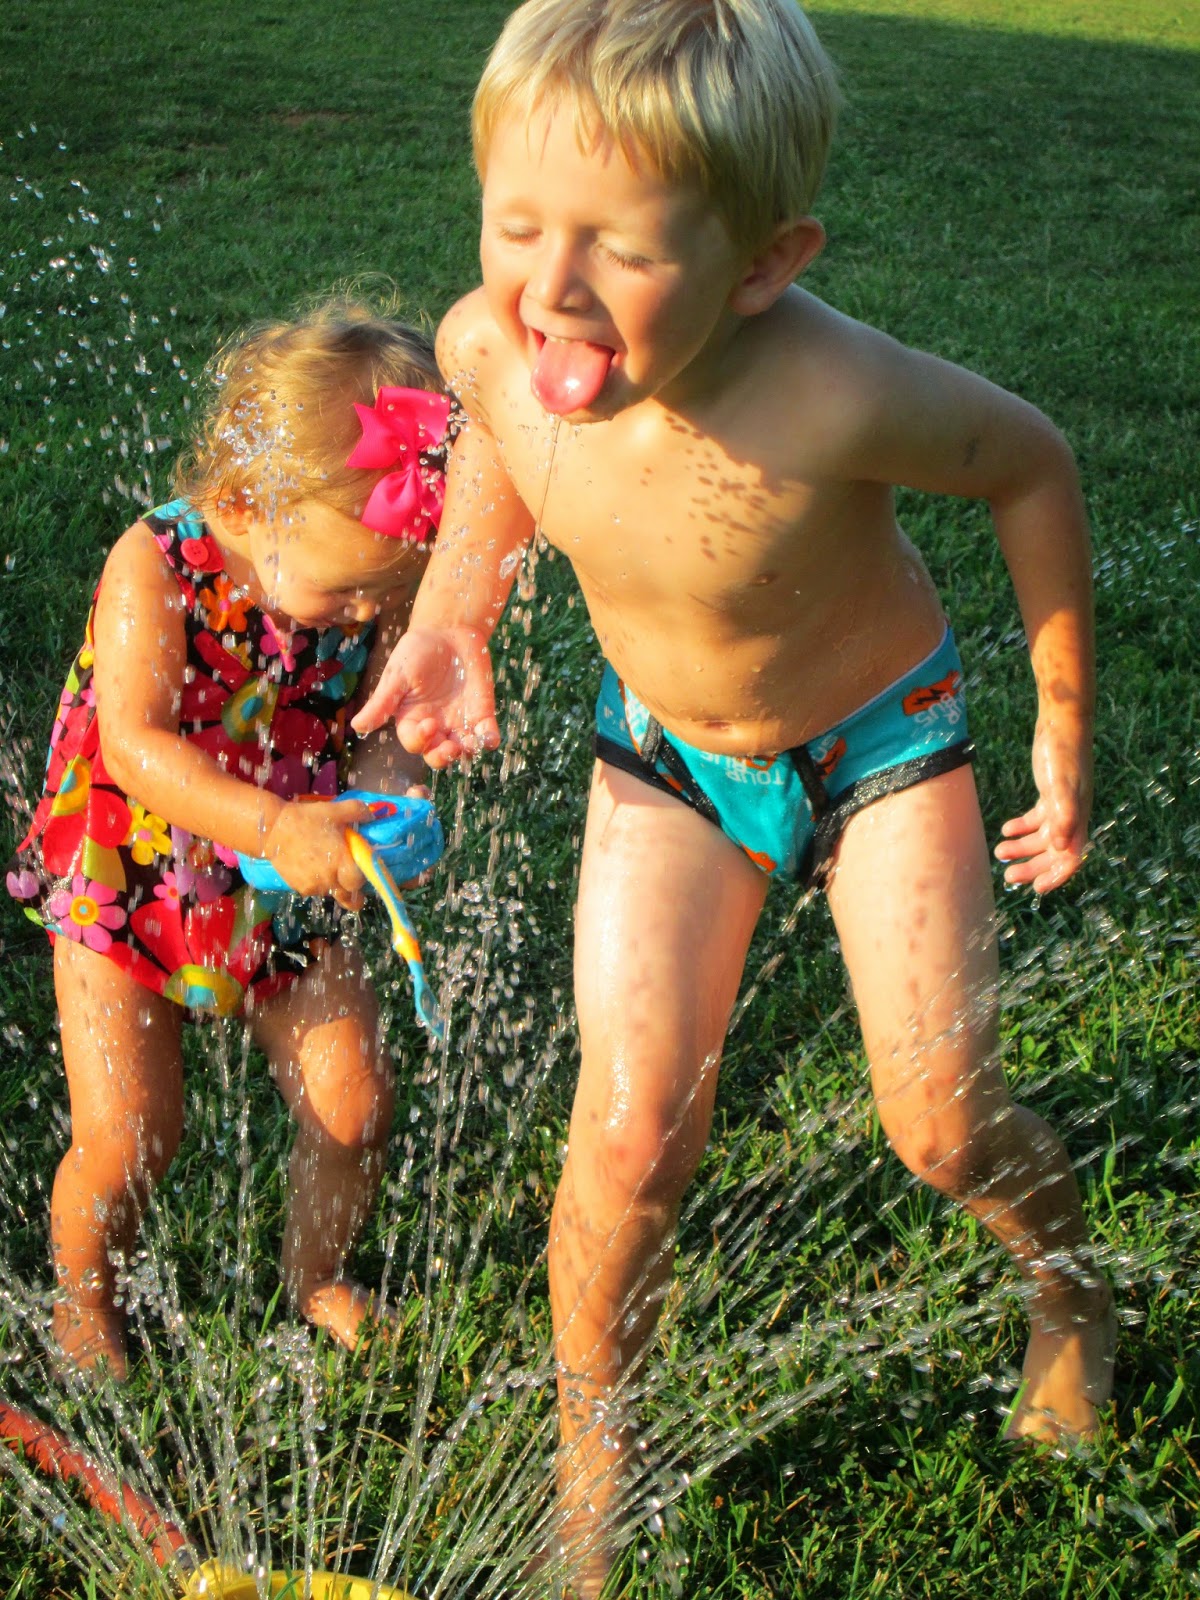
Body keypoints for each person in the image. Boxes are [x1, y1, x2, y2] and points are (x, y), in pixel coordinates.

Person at [353, 1, 1115, 1589]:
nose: (551, 287)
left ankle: (1067, 1291)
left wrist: (1061, 722)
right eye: (517, 225)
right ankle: (592, 1462)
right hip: (667, 755)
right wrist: (454, 613)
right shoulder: (493, 340)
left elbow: (1031, 462)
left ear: (764, 264)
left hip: (877, 745)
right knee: (627, 1135)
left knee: (941, 1124)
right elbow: (496, 438)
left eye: (620, 249)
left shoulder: (834, 392)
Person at [7, 295, 454, 1379]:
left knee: (355, 1103)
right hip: (131, 871)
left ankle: (317, 1275)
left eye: (386, 592)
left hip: (285, 876)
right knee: (131, 1133)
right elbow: (135, 744)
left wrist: (389, 795)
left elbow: (381, 728)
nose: (365, 616)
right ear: (250, 503)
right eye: (349, 590)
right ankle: (83, 1299)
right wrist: (275, 823)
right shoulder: (155, 564)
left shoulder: (377, 579)